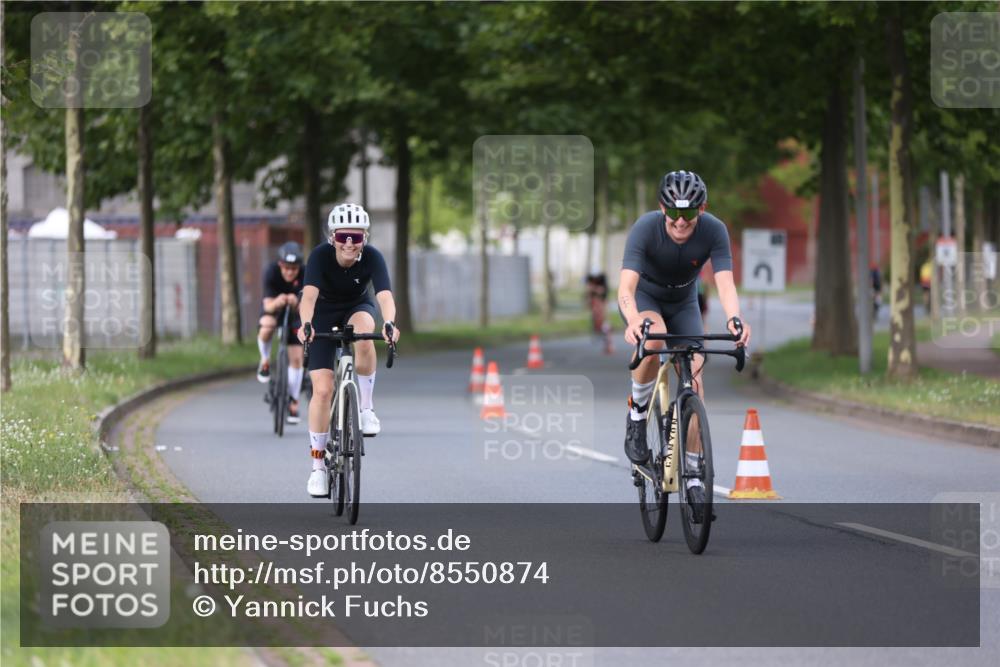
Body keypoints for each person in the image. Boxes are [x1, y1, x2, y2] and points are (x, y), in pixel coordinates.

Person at [618, 170, 750, 509]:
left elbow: (725, 284)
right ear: (662, 209)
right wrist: (633, 320)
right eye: (673, 212)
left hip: (684, 302)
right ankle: (637, 415)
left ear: (701, 209)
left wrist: (735, 319)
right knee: (655, 339)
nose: (680, 221)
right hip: (647, 301)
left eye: (689, 213)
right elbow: (626, 288)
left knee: (695, 376)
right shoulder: (645, 228)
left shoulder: (715, 230)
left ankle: (693, 473)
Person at [297, 203, 400, 498]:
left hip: (357, 307)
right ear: (333, 237)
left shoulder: (373, 257)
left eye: (355, 236)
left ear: (364, 237)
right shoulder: (319, 257)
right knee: (322, 390)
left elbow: (384, 295)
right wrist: (306, 324)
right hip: (322, 314)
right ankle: (317, 469)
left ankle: (366, 409)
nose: (349, 243)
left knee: (364, 335)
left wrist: (390, 322)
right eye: (343, 236)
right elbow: (309, 298)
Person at [256, 241, 305, 424]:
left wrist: (296, 303)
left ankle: (293, 402)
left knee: (297, 358)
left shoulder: (306, 274)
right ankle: (265, 360)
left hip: (296, 314)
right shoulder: (271, 272)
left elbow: (308, 308)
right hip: (274, 310)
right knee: (267, 325)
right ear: (280, 265)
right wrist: (279, 301)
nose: (290, 272)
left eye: (294, 269)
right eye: (286, 268)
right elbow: (267, 306)